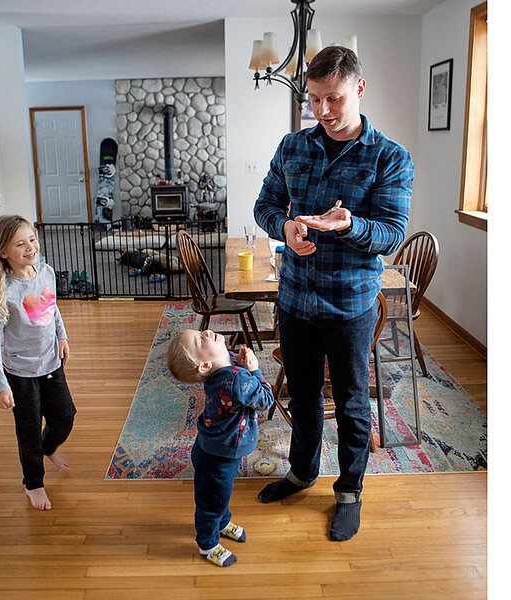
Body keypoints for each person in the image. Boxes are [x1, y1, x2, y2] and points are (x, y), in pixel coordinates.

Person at [253, 46, 414, 541]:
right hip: (295, 300)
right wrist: (284, 226)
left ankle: (349, 491)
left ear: (359, 89)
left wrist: (348, 225)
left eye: (334, 99)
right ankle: (301, 473)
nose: (322, 110)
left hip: (350, 305)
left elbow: (391, 234)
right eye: (314, 98)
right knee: (302, 396)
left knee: (350, 403)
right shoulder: (292, 146)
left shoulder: (390, 157)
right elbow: (265, 206)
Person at [0, 215, 77, 511]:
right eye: (20, 244)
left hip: (51, 364)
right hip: (20, 373)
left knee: (65, 417)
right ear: (3, 252)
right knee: (29, 431)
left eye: (32, 239)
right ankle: (33, 483)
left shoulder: (46, 272)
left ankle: (49, 447)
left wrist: (62, 336)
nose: (30, 247)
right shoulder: (3, 290)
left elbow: (53, 308)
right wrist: (0, 386)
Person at [166, 330, 275, 567]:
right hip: (219, 457)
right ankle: (208, 544)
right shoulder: (238, 381)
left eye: (200, 333)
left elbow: (231, 369)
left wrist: (242, 364)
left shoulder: (224, 368)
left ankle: (223, 523)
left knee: (217, 494)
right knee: (210, 504)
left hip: (211, 446)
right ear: (205, 365)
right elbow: (266, 399)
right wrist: (255, 370)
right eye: (200, 340)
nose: (206, 332)